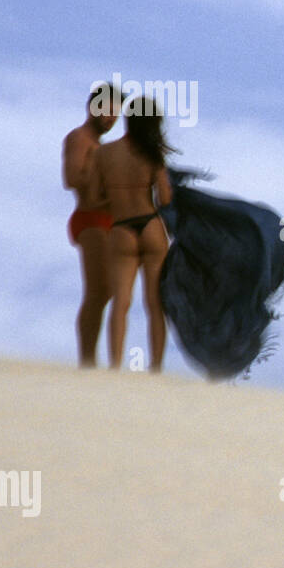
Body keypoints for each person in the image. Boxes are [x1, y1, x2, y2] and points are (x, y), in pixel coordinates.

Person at [95, 95, 175, 372]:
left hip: (122, 229)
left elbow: (96, 197)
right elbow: (164, 199)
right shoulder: (153, 154)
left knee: (121, 303)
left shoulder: (104, 153)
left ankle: (115, 365)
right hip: (151, 227)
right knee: (155, 305)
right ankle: (155, 368)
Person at [61, 82, 121, 367]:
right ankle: (87, 361)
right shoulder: (79, 139)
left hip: (108, 220)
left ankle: (92, 359)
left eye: (116, 114)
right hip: (90, 219)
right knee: (98, 290)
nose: (111, 118)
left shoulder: (100, 146)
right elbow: (72, 178)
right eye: (108, 111)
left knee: (107, 290)